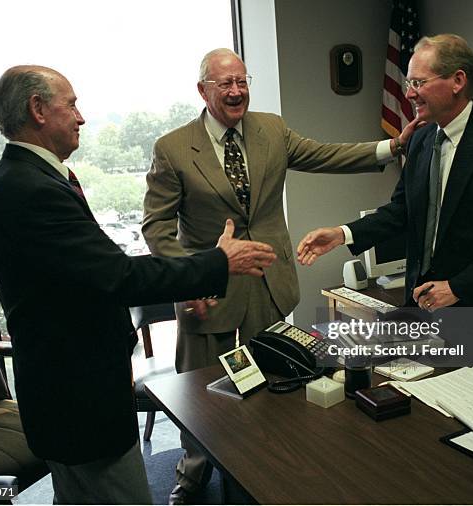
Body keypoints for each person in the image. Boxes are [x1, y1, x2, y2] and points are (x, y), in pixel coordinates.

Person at [0, 65, 276, 504]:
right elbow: (118, 277)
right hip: (80, 401)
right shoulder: (30, 190)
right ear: (38, 109)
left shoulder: (27, 179)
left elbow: (96, 271)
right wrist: (218, 262)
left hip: (67, 397)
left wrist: (198, 268)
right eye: (72, 104)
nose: (81, 117)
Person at [142, 47, 420, 503]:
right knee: (199, 393)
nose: (236, 92)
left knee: (275, 381)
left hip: (270, 282)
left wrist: (393, 146)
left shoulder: (271, 129)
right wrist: (189, 277)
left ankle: (267, 466)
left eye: (242, 81)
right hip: (207, 290)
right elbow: (155, 226)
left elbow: (326, 154)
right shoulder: (172, 148)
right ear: (203, 91)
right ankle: (192, 472)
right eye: (225, 84)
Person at [298, 34, 473, 377]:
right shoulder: (420, 138)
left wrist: (457, 288)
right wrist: (343, 234)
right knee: (417, 413)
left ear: (458, 81)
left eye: (418, 82)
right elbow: (402, 211)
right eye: (407, 82)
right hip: (422, 311)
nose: (409, 93)